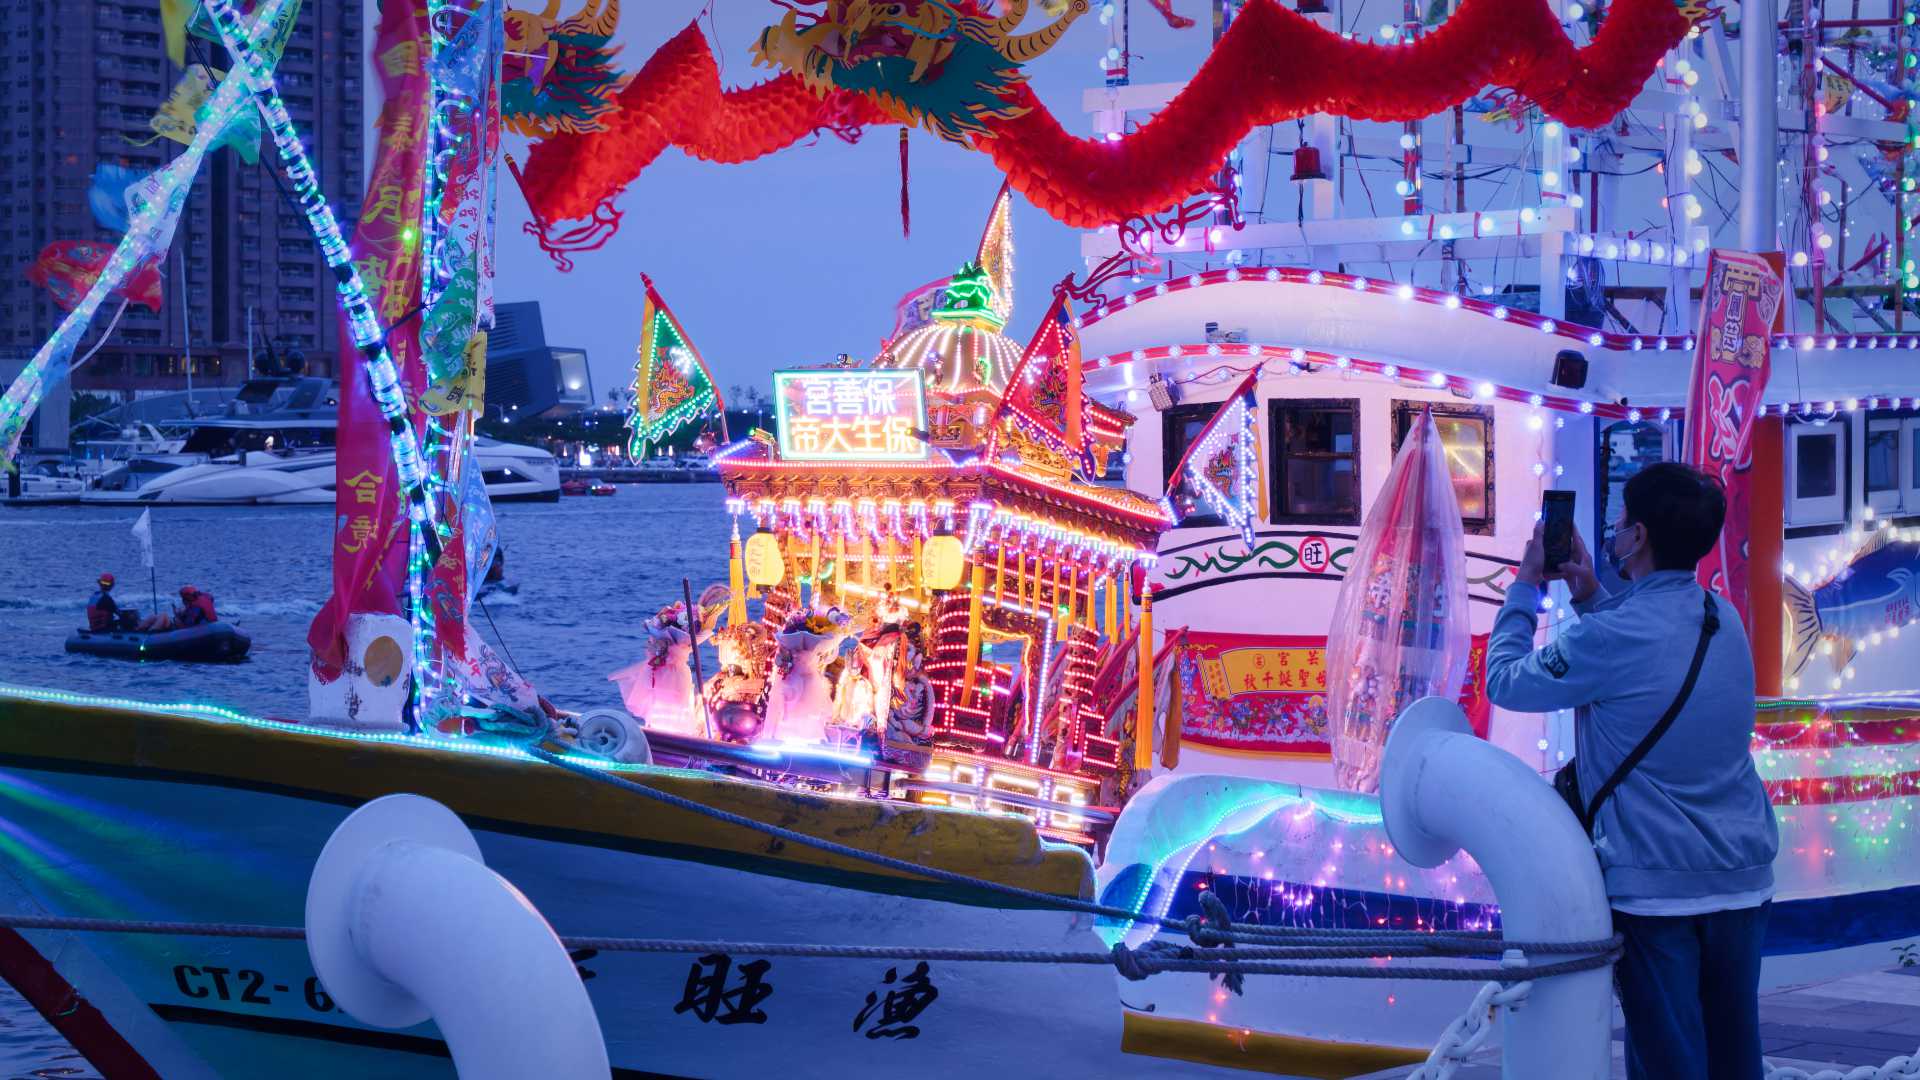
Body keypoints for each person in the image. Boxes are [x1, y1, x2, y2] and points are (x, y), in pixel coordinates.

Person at [1486, 462, 1779, 1080]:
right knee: (1734, 1060)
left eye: (1619, 525)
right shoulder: (1722, 620)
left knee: (1668, 1064)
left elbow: (1505, 681)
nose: (1614, 535)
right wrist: (1592, 593)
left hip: (1657, 890)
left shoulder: (1611, 636)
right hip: (1744, 879)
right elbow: (1648, 649)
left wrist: (1526, 586)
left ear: (1639, 535)